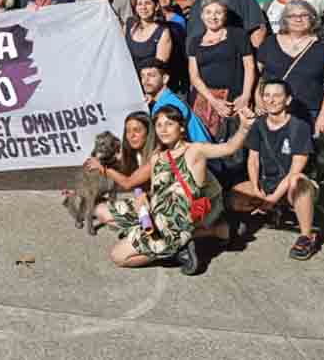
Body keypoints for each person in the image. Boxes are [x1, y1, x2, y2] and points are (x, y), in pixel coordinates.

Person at [97, 106, 250, 275]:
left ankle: (177, 251)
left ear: (181, 127)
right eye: (159, 125)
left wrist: (244, 127)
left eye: (169, 124)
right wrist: (144, 199)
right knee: (102, 212)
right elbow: (157, 191)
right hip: (155, 210)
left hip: (177, 220)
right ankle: (159, 241)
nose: (163, 129)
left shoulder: (194, 151)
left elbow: (229, 148)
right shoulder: (157, 158)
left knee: (118, 256)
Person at [228, 80, 321, 260]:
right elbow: (253, 160)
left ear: (287, 100)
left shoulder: (299, 127)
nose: (271, 100)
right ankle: (268, 213)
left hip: (293, 185)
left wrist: (272, 198)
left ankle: (307, 236)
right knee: (233, 197)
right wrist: (256, 190)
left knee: (298, 182)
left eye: (277, 96)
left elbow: (295, 171)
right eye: (267, 95)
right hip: (267, 182)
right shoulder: (258, 124)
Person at [256, 0, 324, 138]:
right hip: (270, 108)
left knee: (302, 156)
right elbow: (257, 75)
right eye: (292, 16)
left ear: (312, 19)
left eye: (304, 15)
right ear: (285, 20)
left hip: (307, 112)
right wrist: (258, 100)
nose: (298, 19)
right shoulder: (270, 42)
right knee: (268, 154)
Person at [187, 0, 256, 140]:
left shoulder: (238, 35)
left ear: (225, 15)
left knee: (232, 145)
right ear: (202, 15)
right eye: (209, 12)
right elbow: (194, 76)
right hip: (204, 99)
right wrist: (213, 101)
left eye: (218, 12)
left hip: (234, 99)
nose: (213, 17)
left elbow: (249, 66)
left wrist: (245, 95)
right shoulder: (195, 41)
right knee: (203, 143)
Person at [139, 61, 211, 143]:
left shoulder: (170, 104)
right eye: (142, 76)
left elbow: (169, 140)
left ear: (165, 79)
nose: (145, 80)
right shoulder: (166, 100)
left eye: (151, 75)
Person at [84, 111, 155, 193]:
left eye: (137, 130)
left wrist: (102, 168)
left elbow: (128, 183)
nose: (132, 135)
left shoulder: (156, 156)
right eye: (128, 131)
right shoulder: (135, 154)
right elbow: (138, 186)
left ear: (148, 132)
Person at [126, 0, 173, 70]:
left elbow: (159, 69)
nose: (143, 7)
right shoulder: (129, 24)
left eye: (147, 3)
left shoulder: (162, 32)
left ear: (156, 6)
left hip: (147, 80)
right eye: (139, 4)